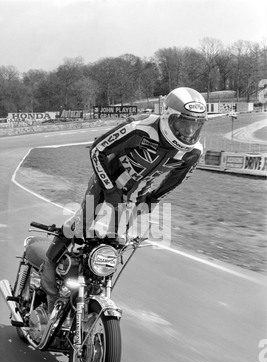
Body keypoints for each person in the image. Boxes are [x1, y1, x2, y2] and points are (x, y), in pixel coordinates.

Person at [41, 87, 207, 313]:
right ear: (168, 116)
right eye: (183, 123)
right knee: (80, 229)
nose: (188, 131)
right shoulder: (141, 128)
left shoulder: (194, 151)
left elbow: (177, 179)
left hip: (134, 194)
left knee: (116, 243)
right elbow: (97, 150)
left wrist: (154, 198)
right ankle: (49, 263)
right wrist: (109, 188)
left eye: (195, 124)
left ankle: (94, 289)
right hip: (106, 180)